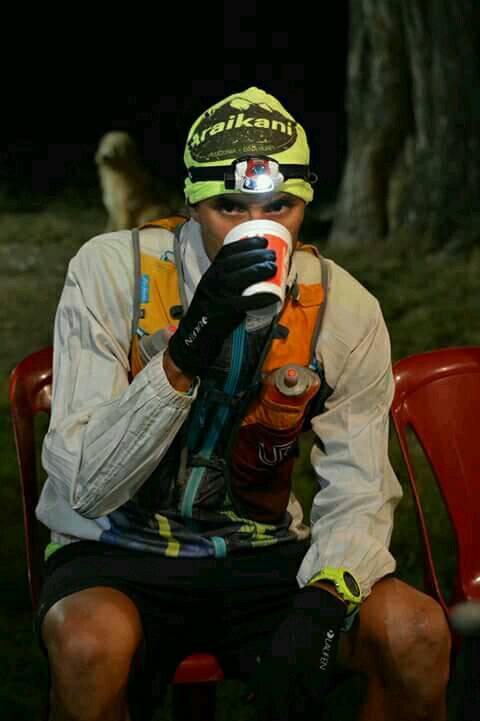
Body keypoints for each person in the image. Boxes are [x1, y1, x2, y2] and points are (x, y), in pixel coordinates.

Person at [35, 87, 451, 721]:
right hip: (118, 547)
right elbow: (86, 487)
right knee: (88, 645)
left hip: (260, 550)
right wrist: (186, 349)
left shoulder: (344, 307)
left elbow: (361, 486)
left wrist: (325, 598)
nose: (257, 226)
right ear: (191, 204)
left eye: (279, 206)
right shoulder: (112, 271)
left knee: (414, 634)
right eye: (229, 206)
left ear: (305, 204)